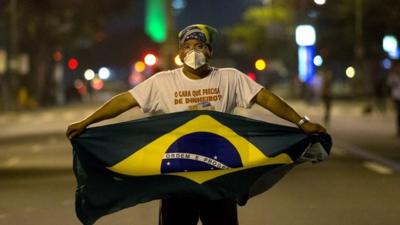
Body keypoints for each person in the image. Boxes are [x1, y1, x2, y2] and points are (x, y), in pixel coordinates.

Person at [66, 24, 326, 225]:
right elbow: (124, 101)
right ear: (179, 52)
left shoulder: (229, 78)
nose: (193, 51)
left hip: (219, 176)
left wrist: (301, 122)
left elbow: (266, 98)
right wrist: (87, 122)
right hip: (177, 180)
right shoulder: (162, 82)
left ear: (210, 51)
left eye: (199, 46)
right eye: (187, 46)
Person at [387, 61, 400, 137]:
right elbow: (389, 83)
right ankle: (398, 130)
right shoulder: (393, 76)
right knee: (398, 114)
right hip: (397, 97)